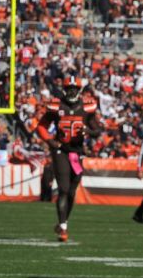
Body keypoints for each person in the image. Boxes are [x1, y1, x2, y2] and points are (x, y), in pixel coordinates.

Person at [36, 76, 104, 242]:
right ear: (64, 89)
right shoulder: (56, 106)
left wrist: (87, 130)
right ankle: (63, 227)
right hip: (61, 150)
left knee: (72, 189)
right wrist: (51, 141)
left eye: (75, 88)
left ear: (79, 90)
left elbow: (97, 130)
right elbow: (41, 126)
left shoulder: (87, 107)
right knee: (64, 189)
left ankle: (64, 222)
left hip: (77, 151)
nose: (72, 91)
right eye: (69, 88)